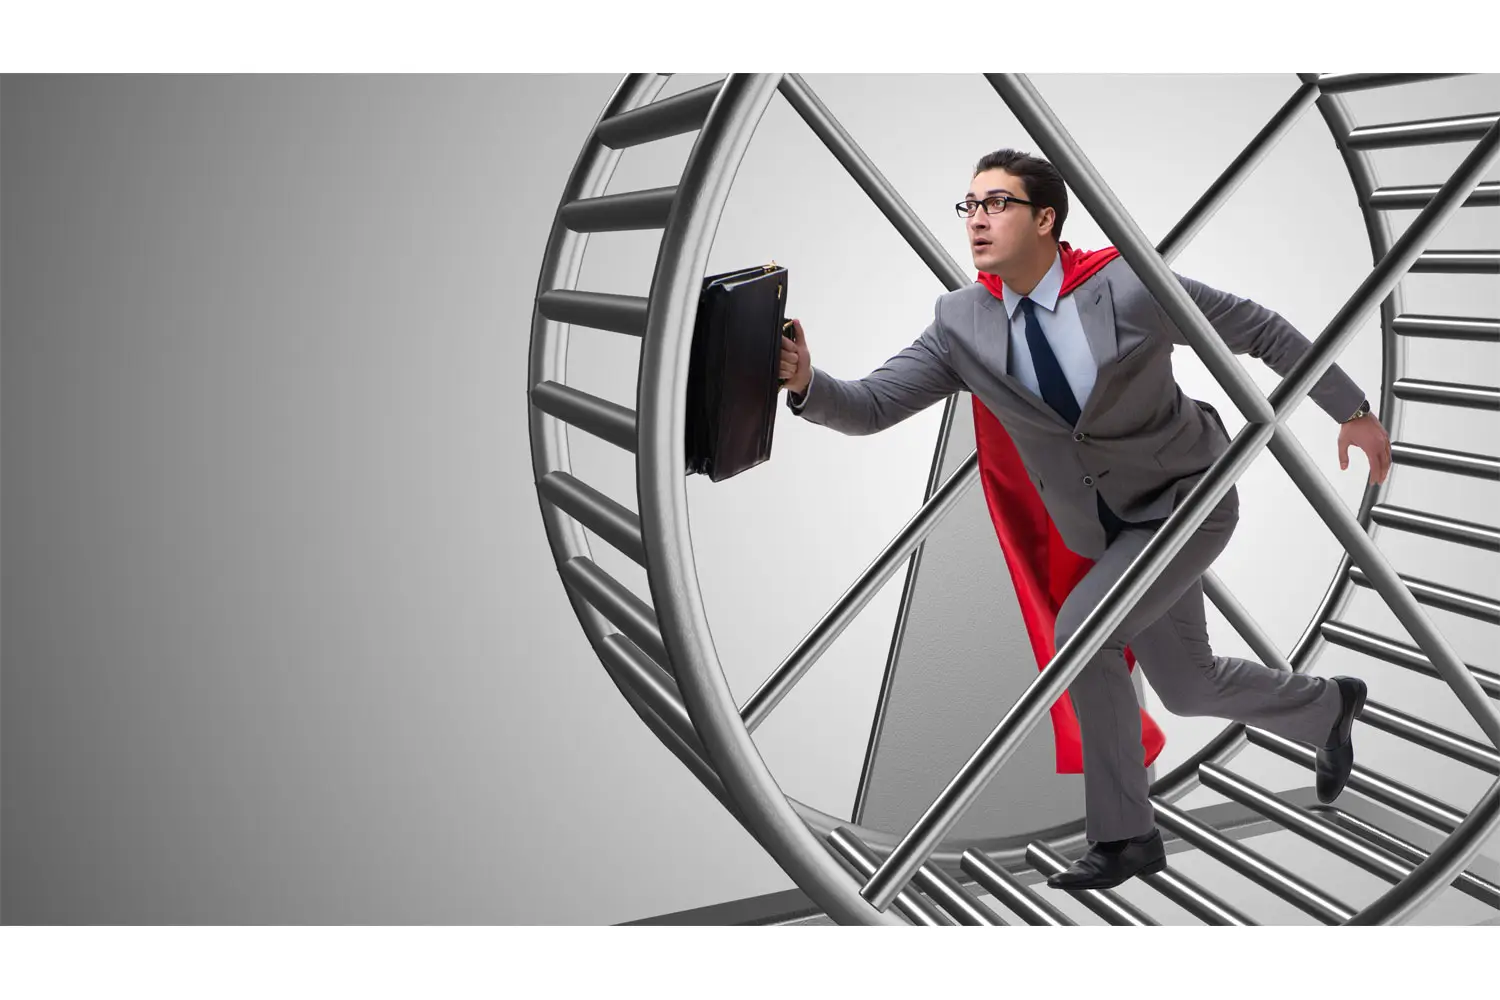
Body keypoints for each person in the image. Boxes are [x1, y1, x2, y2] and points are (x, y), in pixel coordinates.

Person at [778, 148, 1391, 891]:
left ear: (1046, 218)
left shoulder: (1127, 287)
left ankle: (1127, 838)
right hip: (1107, 533)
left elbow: (1257, 328)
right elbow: (873, 405)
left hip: (1188, 501)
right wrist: (808, 382)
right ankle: (1328, 706)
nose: (976, 220)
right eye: (969, 205)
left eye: (996, 203)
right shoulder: (961, 322)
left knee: (1083, 631)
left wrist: (1353, 411)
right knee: (1188, 687)